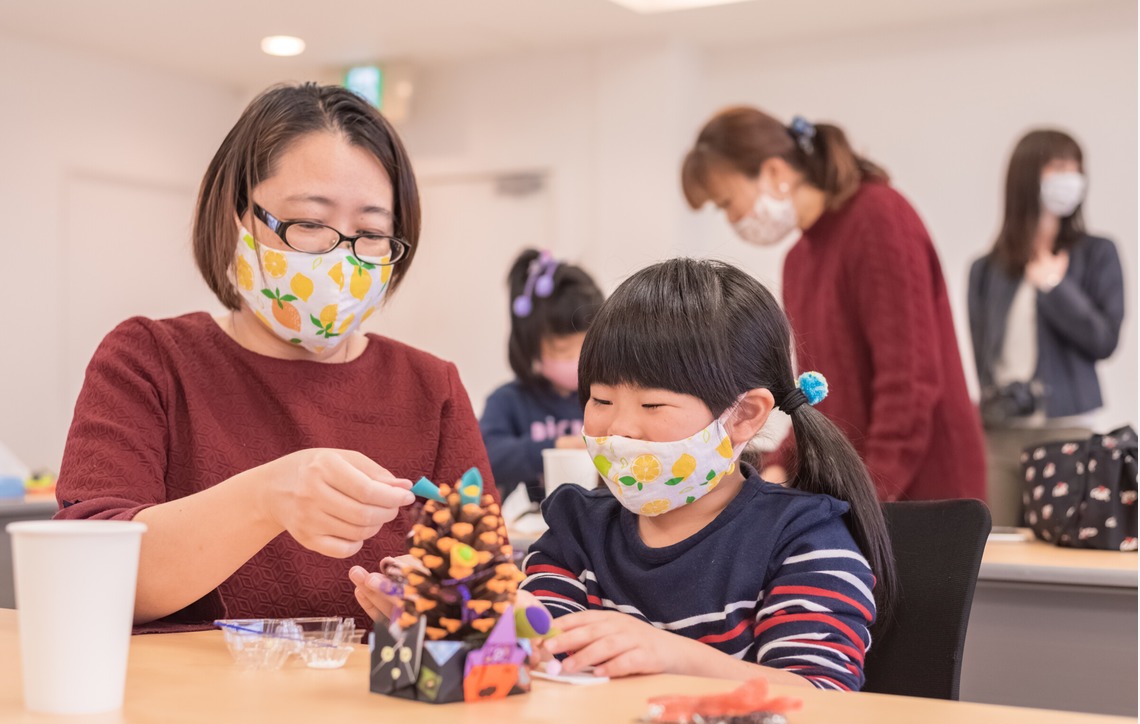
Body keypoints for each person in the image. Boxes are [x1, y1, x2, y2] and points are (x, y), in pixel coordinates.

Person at [54, 83, 493, 632]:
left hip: (373, 712)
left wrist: (441, 604)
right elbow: (86, 574)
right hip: (184, 710)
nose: (341, 259)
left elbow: (487, 580)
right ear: (236, 217)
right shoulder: (150, 360)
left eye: (373, 233)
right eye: (310, 224)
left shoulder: (431, 387)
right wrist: (264, 499)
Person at [521, 259, 896, 691]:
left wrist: (671, 655)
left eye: (652, 405)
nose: (618, 427)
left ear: (744, 415)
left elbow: (824, 696)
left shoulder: (802, 539)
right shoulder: (576, 529)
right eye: (601, 400)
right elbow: (545, 660)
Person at [682, 108, 986, 504]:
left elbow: (909, 383)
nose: (731, 218)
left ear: (774, 172)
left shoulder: (879, 217)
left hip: (921, 490)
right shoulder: (799, 259)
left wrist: (871, 497)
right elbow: (816, 393)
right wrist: (778, 467)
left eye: (726, 202)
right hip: (858, 488)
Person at [968, 129, 1125, 525]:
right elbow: (982, 355)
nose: (1070, 178)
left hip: (1065, 432)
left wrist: (1055, 287)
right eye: (1058, 167)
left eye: (1076, 168)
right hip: (1000, 432)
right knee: (992, 548)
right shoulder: (987, 270)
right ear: (1027, 176)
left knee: (1060, 547)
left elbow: (1103, 340)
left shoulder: (1096, 254)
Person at [480, 249, 604, 503]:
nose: (580, 360)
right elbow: (485, 456)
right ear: (531, 346)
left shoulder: (607, 396)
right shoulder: (508, 401)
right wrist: (554, 447)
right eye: (564, 351)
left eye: (588, 345)